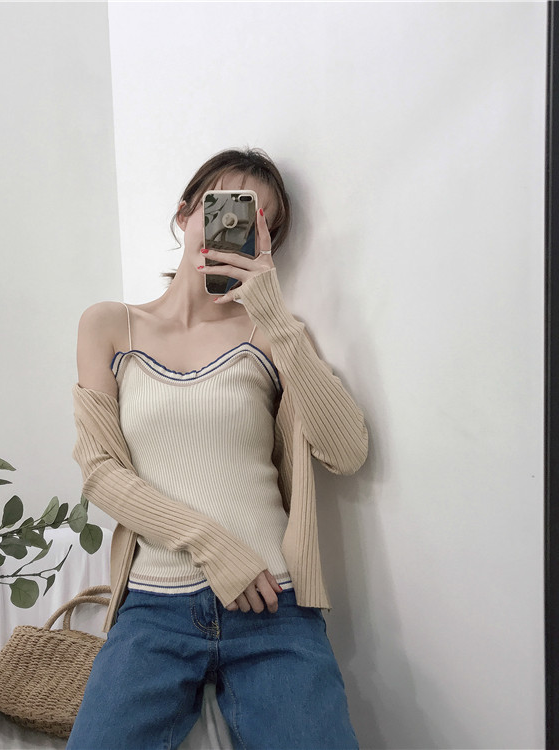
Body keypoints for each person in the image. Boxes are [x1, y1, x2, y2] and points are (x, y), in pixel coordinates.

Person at [67, 147, 366, 749]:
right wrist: (211, 544)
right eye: (222, 206)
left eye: (258, 220)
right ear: (185, 214)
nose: (235, 227)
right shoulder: (109, 325)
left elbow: (347, 450)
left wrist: (274, 314)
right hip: (154, 610)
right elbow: (99, 471)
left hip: (274, 605)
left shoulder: (274, 335)